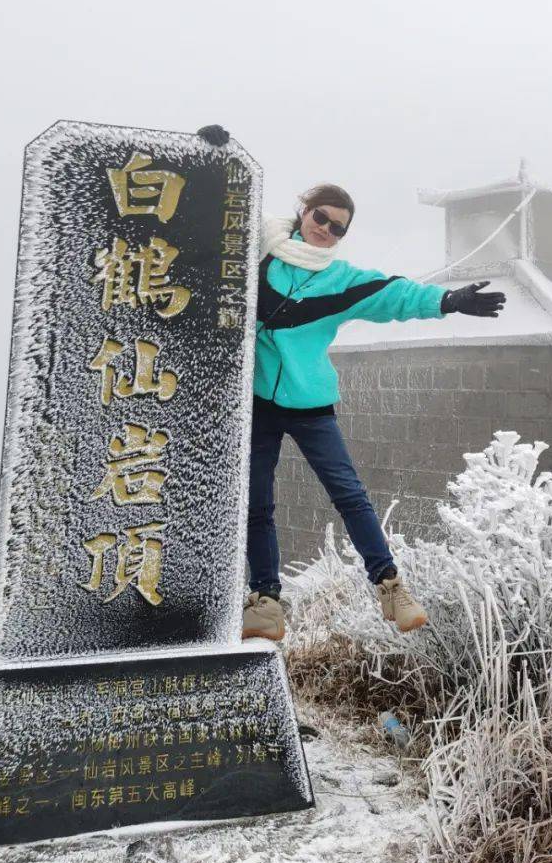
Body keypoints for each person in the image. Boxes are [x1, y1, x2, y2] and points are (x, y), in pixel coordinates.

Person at [197, 125, 506, 642]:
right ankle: (266, 600)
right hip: (253, 401)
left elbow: (395, 294)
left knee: (349, 494)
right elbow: (213, 215)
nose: (326, 231)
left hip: (310, 403)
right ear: (303, 211)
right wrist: (211, 157)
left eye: (338, 228)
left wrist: (450, 301)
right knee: (257, 501)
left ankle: (389, 586)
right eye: (321, 218)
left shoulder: (341, 280)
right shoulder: (257, 248)